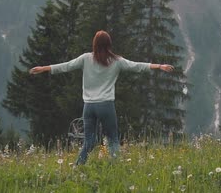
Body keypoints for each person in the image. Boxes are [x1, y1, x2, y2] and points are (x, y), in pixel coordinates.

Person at [29, 30, 174, 165]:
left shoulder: (86, 58)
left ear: (95, 44)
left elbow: (66, 66)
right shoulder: (117, 61)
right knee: (113, 139)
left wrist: (44, 68)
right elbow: (137, 66)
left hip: (89, 107)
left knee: (89, 142)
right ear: (109, 44)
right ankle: (116, 167)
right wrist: (159, 66)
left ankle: (78, 165)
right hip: (106, 106)